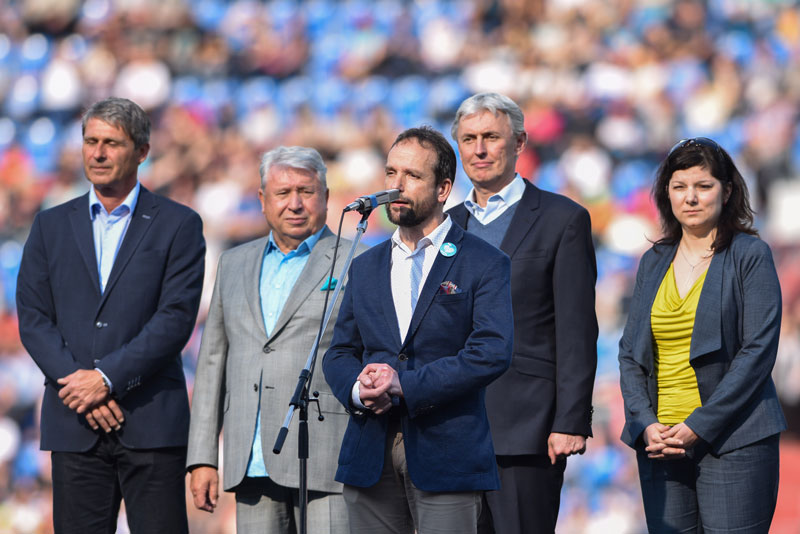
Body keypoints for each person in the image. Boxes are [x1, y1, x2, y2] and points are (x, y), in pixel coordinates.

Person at [16, 97, 205, 533]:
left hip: (150, 420)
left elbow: (175, 319)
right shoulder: (50, 226)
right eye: (90, 141)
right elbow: (33, 317)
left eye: (112, 143)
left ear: (141, 151)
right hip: (74, 422)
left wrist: (104, 380)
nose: (98, 153)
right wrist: (79, 385)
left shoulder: (179, 224)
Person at [322, 126, 514, 534]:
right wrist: (359, 389)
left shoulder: (483, 261)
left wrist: (404, 385)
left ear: (443, 188)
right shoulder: (365, 263)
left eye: (412, 176)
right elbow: (339, 352)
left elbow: (491, 351)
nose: (396, 185)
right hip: (368, 450)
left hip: (447, 451)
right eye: (391, 172)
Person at [186, 146, 366, 534]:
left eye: (306, 191)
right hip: (249, 459)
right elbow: (213, 362)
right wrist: (202, 457)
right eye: (283, 193)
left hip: (328, 458)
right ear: (263, 200)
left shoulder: (359, 261)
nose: (295, 204)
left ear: (327, 197)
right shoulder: (233, 264)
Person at [618, 137, 787, 533]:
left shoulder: (749, 254)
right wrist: (645, 423)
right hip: (662, 444)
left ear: (727, 192)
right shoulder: (653, 261)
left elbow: (757, 352)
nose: (690, 198)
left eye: (703, 186)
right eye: (679, 187)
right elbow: (630, 355)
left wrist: (700, 425)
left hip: (735, 440)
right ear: (667, 194)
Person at [447, 92, 598, 534]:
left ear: (519, 143)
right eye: (469, 139)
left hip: (527, 430)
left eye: (491, 137)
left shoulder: (562, 219)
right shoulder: (443, 224)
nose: (479, 149)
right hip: (451, 428)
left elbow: (576, 329)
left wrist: (570, 420)